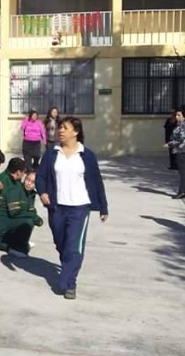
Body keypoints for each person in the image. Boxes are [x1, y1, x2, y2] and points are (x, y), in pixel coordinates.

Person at [36, 117, 108, 300]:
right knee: (61, 244)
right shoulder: (52, 153)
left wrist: (103, 207)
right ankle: (68, 269)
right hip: (57, 207)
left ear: (75, 132)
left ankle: (69, 283)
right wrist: (42, 192)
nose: (60, 131)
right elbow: (40, 176)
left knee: (74, 247)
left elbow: (97, 181)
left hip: (80, 208)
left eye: (65, 128)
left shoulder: (87, 155)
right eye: (60, 128)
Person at [164, 109, 185, 200]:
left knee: (183, 172)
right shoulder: (183, 124)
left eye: (179, 115)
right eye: (176, 115)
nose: (176, 117)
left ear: (184, 116)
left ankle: (182, 192)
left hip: (182, 151)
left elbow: (182, 139)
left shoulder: (184, 126)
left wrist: (170, 144)